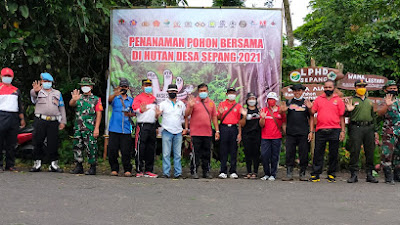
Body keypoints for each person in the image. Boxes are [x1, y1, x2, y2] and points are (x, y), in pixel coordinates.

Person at [309, 80, 345, 182]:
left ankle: (331, 174)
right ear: (323, 88)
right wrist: (309, 107)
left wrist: (343, 131)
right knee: (318, 153)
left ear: (333, 88)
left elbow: (341, 116)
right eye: (326, 87)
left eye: (330, 87)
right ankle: (316, 174)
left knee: (333, 153)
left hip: (335, 130)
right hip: (320, 129)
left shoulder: (338, 100)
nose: (327, 89)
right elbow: (312, 112)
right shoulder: (318, 99)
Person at [30, 73, 66, 172]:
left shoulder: (57, 93)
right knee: (38, 141)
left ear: (52, 82)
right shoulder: (37, 91)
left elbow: (61, 107)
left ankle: (53, 164)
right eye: (45, 81)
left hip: (53, 120)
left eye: (48, 82)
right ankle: (37, 163)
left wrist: (63, 121)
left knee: (53, 142)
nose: (47, 83)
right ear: (41, 82)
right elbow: (33, 98)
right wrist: (36, 91)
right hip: (40, 119)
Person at [345, 79, 379, 183]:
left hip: (369, 128)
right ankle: (354, 174)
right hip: (356, 127)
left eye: (363, 86)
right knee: (355, 151)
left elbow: (374, 117)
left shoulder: (369, 101)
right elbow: (345, 115)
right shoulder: (351, 100)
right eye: (359, 86)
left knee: (370, 151)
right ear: (355, 88)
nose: (362, 89)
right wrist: (348, 110)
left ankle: (369, 174)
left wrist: (376, 131)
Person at [185, 83, 220, 179]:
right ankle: (194, 171)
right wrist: (191, 106)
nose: (203, 93)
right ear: (198, 92)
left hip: (207, 132)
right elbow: (186, 115)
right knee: (196, 153)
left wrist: (217, 131)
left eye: (204, 91)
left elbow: (214, 117)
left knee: (207, 153)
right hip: (196, 133)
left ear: (207, 91)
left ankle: (206, 172)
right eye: (201, 91)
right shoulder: (193, 102)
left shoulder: (211, 103)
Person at [69, 77, 103, 175]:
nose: (85, 87)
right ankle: (79, 166)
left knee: (91, 147)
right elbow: (71, 104)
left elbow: (99, 114)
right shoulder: (78, 98)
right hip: (78, 127)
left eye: (87, 85)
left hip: (90, 128)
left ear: (91, 87)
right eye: (83, 86)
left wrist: (96, 128)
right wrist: (74, 99)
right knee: (77, 146)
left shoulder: (96, 99)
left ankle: (92, 167)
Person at [280, 84, 313, 181]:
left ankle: (302, 173)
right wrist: (283, 110)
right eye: (295, 91)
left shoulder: (306, 102)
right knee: (289, 153)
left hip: (303, 132)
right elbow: (282, 114)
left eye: (299, 90)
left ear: (302, 91)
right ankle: (289, 173)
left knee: (303, 154)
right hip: (291, 133)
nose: (297, 92)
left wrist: (311, 131)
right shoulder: (289, 102)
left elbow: (311, 117)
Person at [156, 84, 186, 179]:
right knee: (166, 154)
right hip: (166, 131)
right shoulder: (163, 104)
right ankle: (166, 173)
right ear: (168, 92)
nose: (172, 93)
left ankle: (178, 173)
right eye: (170, 91)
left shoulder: (181, 104)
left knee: (177, 154)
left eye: (174, 91)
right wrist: (157, 114)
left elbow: (185, 116)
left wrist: (185, 128)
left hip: (178, 132)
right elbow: (157, 115)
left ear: (177, 92)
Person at [0, 68, 25, 172]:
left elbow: (19, 105)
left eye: (9, 76)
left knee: (12, 142)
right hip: (1, 115)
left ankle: (10, 164)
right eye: (5, 76)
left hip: (13, 117)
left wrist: (22, 118)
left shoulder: (16, 90)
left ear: (12, 77)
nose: (7, 78)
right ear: (1, 76)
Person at [108, 79, 134, 177]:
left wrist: (130, 114)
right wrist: (115, 94)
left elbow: (134, 113)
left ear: (128, 88)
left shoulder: (131, 100)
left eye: (125, 87)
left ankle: (127, 169)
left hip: (126, 129)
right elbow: (109, 100)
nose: (123, 89)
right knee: (112, 150)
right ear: (119, 87)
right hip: (114, 128)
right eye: (122, 87)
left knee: (126, 151)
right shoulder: (115, 98)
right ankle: (114, 169)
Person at [132, 79, 158, 178]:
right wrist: (140, 110)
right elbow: (134, 109)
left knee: (151, 148)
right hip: (142, 125)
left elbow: (156, 112)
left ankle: (149, 170)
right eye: (146, 85)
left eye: (149, 85)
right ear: (142, 87)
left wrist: (157, 115)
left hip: (152, 125)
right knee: (140, 148)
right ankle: (139, 170)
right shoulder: (138, 98)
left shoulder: (154, 98)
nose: (148, 87)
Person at [259, 92, 286, 181]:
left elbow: (284, 123)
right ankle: (266, 173)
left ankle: (273, 174)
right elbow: (261, 125)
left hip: (276, 137)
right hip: (265, 137)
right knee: (264, 155)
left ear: (276, 101)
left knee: (275, 156)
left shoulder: (280, 110)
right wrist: (262, 118)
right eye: (269, 99)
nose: (271, 101)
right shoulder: (264, 110)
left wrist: (285, 133)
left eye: (273, 99)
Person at [377, 80, 400, 184]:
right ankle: (388, 177)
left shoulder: (399, 101)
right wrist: (387, 105)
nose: (393, 90)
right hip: (389, 132)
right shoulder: (383, 101)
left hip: (399, 131)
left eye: (395, 88)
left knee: (398, 155)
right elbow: (379, 113)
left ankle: (397, 175)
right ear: (386, 90)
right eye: (390, 88)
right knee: (387, 154)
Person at [217, 87, 242, 179]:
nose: (231, 94)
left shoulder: (238, 106)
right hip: (224, 127)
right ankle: (223, 171)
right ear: (226, 94)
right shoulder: (222, 104)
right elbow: (218, 118)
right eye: (229, 93)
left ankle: (233, 171)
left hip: (234, 128)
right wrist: (220, 113)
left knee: (233, 150)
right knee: (223, 150)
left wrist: (239, 133)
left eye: (233, 93)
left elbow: (239, 121)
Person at [239, 92, 261, 179]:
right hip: (246, 135)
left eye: (253, 99)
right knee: (248, 153)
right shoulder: (244, 111)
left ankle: (255, 172)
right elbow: (241, 124)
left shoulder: (259, 111)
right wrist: (244, 116)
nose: (252, 101)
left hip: (257, 134)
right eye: (250, 99)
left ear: (256, 100)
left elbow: (262, 124)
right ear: (247, 100)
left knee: (256, 153)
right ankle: (248, 171)